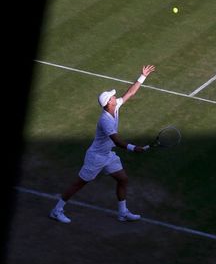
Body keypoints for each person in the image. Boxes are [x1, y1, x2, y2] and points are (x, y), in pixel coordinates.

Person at [49, 65, 156, 224]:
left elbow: (131, 92)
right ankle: (56, 211)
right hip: (96, 158)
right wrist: (134, 148)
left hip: (107, 155)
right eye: (112, 97)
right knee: (79, 184)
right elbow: (117, 141)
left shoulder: (115, 106)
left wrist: (142, 76)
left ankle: (122, 213)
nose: (115, 97)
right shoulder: (105, 120)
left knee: (123, 179)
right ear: (108, 103)